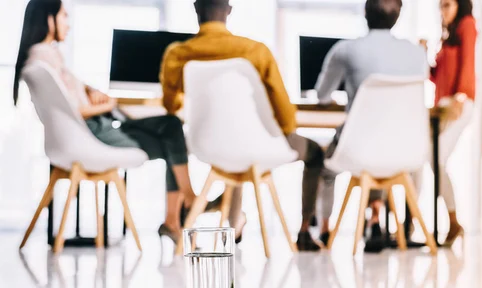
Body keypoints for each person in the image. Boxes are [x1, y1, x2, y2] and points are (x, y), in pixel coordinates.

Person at [13, 0, 197, 244]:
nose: (68, 23)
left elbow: (67, 100)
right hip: (94, 134)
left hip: (91, 132)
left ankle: (176, 216)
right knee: (172, 133)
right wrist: (107, 105)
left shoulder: (43, 57)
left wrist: (89, 91)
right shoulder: (45, 58)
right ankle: (186, 206)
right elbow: (75, 109)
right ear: (48, 19)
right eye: (64, 16)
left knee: (171, 132)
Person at [161, 0, 325, 251]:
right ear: (228, 11)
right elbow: (284, 114)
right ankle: (304, 231)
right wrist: (283, 129)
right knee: (315, 152)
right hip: (256, 146)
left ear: (196, 9)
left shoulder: (177, 54)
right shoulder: (255, 51)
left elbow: (171, 106)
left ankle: (232, 221)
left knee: (229, 152)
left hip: (208, 145)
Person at [315, 0, 428, 253]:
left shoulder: (345, 50)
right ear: (398, 16)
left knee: (327, 168)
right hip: (404, 151)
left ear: (365, 13)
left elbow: (322, 94)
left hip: (358, 150)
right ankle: (375, 217)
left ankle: (324, 229)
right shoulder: (417, 53)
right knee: (381, 151)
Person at [421, 0, 476, 246]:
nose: (443, 10)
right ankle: (452, 222)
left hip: (459, 104)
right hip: (442, 107)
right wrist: (423, 55)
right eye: (440, 6)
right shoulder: (446, 38)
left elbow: (468, 63)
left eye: (447, 4)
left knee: (436, 158)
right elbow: (434, 76)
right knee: (432, 158)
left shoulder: (467, 25)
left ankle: (453, 221)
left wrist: (461, 97)